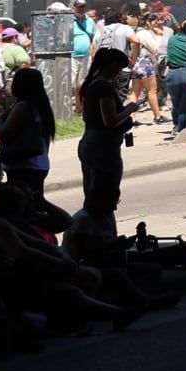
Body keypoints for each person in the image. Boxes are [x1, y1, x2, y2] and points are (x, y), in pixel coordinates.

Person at [77, 47, 140, 234]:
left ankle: (92, 234)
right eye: (119, 68)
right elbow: (110, 120)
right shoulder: (103, 88)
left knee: (92, 193)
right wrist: (130, 109)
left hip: (91, 143)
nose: (120, 73)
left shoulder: (90, 84)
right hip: (103, 147)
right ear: (112, 66)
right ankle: (102, 236)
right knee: (104, 196)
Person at [0, 66, 56, 200]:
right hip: (38, 164)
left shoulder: (23, 106)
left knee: (24, 209)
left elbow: (5, 134)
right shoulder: (41, 106)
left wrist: (0, 121)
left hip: (24, 165)